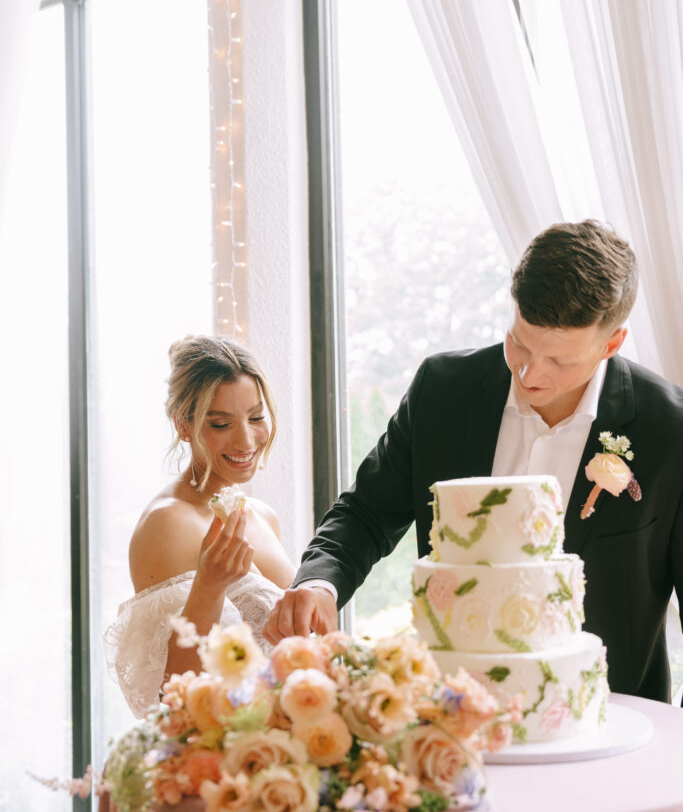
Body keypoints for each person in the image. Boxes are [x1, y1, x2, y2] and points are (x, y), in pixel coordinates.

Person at [264, 220, 683, 703]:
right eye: (520, 343)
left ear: (612, 344)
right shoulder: (441, 391)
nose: (529, 373)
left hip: (612, 726)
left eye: (559, 362)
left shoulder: (668, 430)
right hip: (449, 714)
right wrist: (320, 582)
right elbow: (366, 513)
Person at [105, 335, 294, 717]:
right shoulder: (168, 522)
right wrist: (209, 585)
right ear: (183, 424)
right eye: (222, 423)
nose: (246, 439)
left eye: (256, 417)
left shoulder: (263, 515)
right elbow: (171, 700)